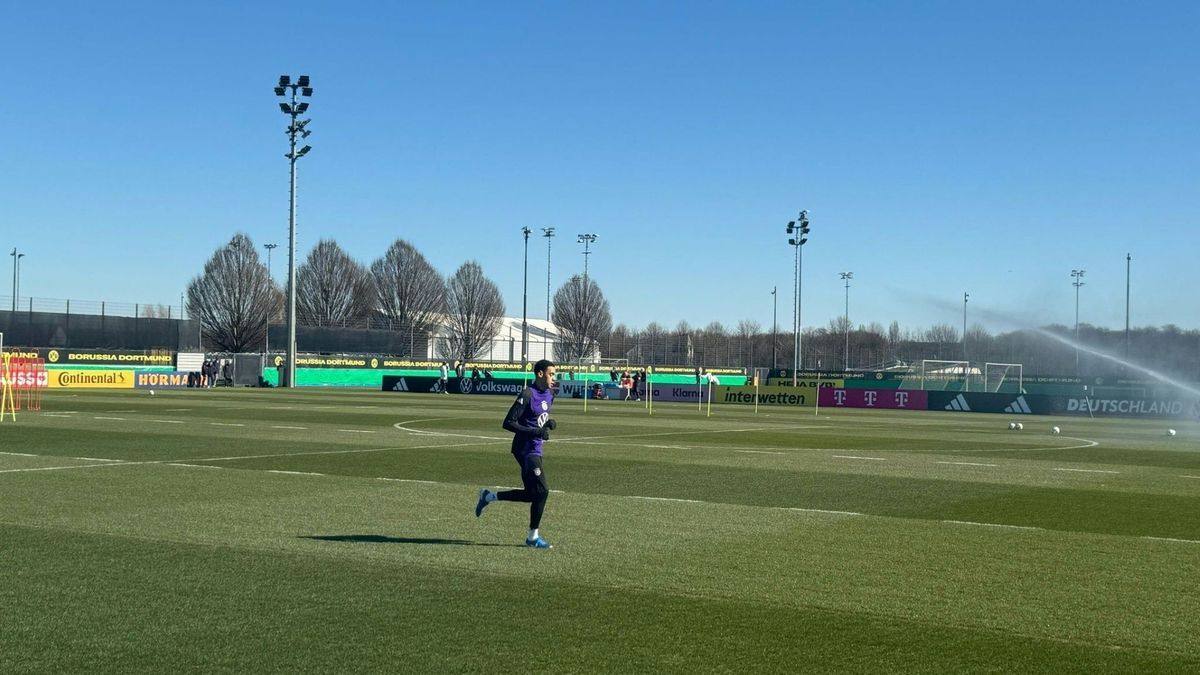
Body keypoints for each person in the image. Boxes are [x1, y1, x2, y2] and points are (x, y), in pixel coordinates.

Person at [475, 359, 557, 549]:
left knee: (532, 494)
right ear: (540, 374)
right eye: (551, 374)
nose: (554, 378)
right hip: (524, 449)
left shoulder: (551, 395)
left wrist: (547, 424)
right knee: (543, 491)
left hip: (536, 448)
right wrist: (536, 432)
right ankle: (532, 538)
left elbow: (535, 419)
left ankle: (489, 496)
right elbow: (509, 422)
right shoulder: (527, 394)